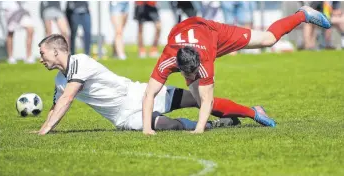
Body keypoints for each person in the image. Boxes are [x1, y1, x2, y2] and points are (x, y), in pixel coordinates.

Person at [142, 6, 331, 135]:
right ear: (178, 67)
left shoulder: (204, 61)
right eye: (190, 74)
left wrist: (199, 130)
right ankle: (254, 112)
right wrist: (146, 129)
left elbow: (208, 98)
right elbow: (149, 93)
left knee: (268, 39)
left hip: (213, 33)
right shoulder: (167, 59)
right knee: (203, 103)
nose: (194, 77)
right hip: (184, 33)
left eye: (195, 73)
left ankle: (302, 14)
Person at [34, 34, 249, 135]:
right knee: (170, 126)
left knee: (196, 99)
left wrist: (45, 131)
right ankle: (213, 125)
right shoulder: (60, 80)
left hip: (136, 93)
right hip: (124, 117)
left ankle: (248, 112)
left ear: (56, 51)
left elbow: (67, 98)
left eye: (43, 53)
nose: (41, 59)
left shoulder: (81, 62)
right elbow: (56, 105)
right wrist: (43, 127)